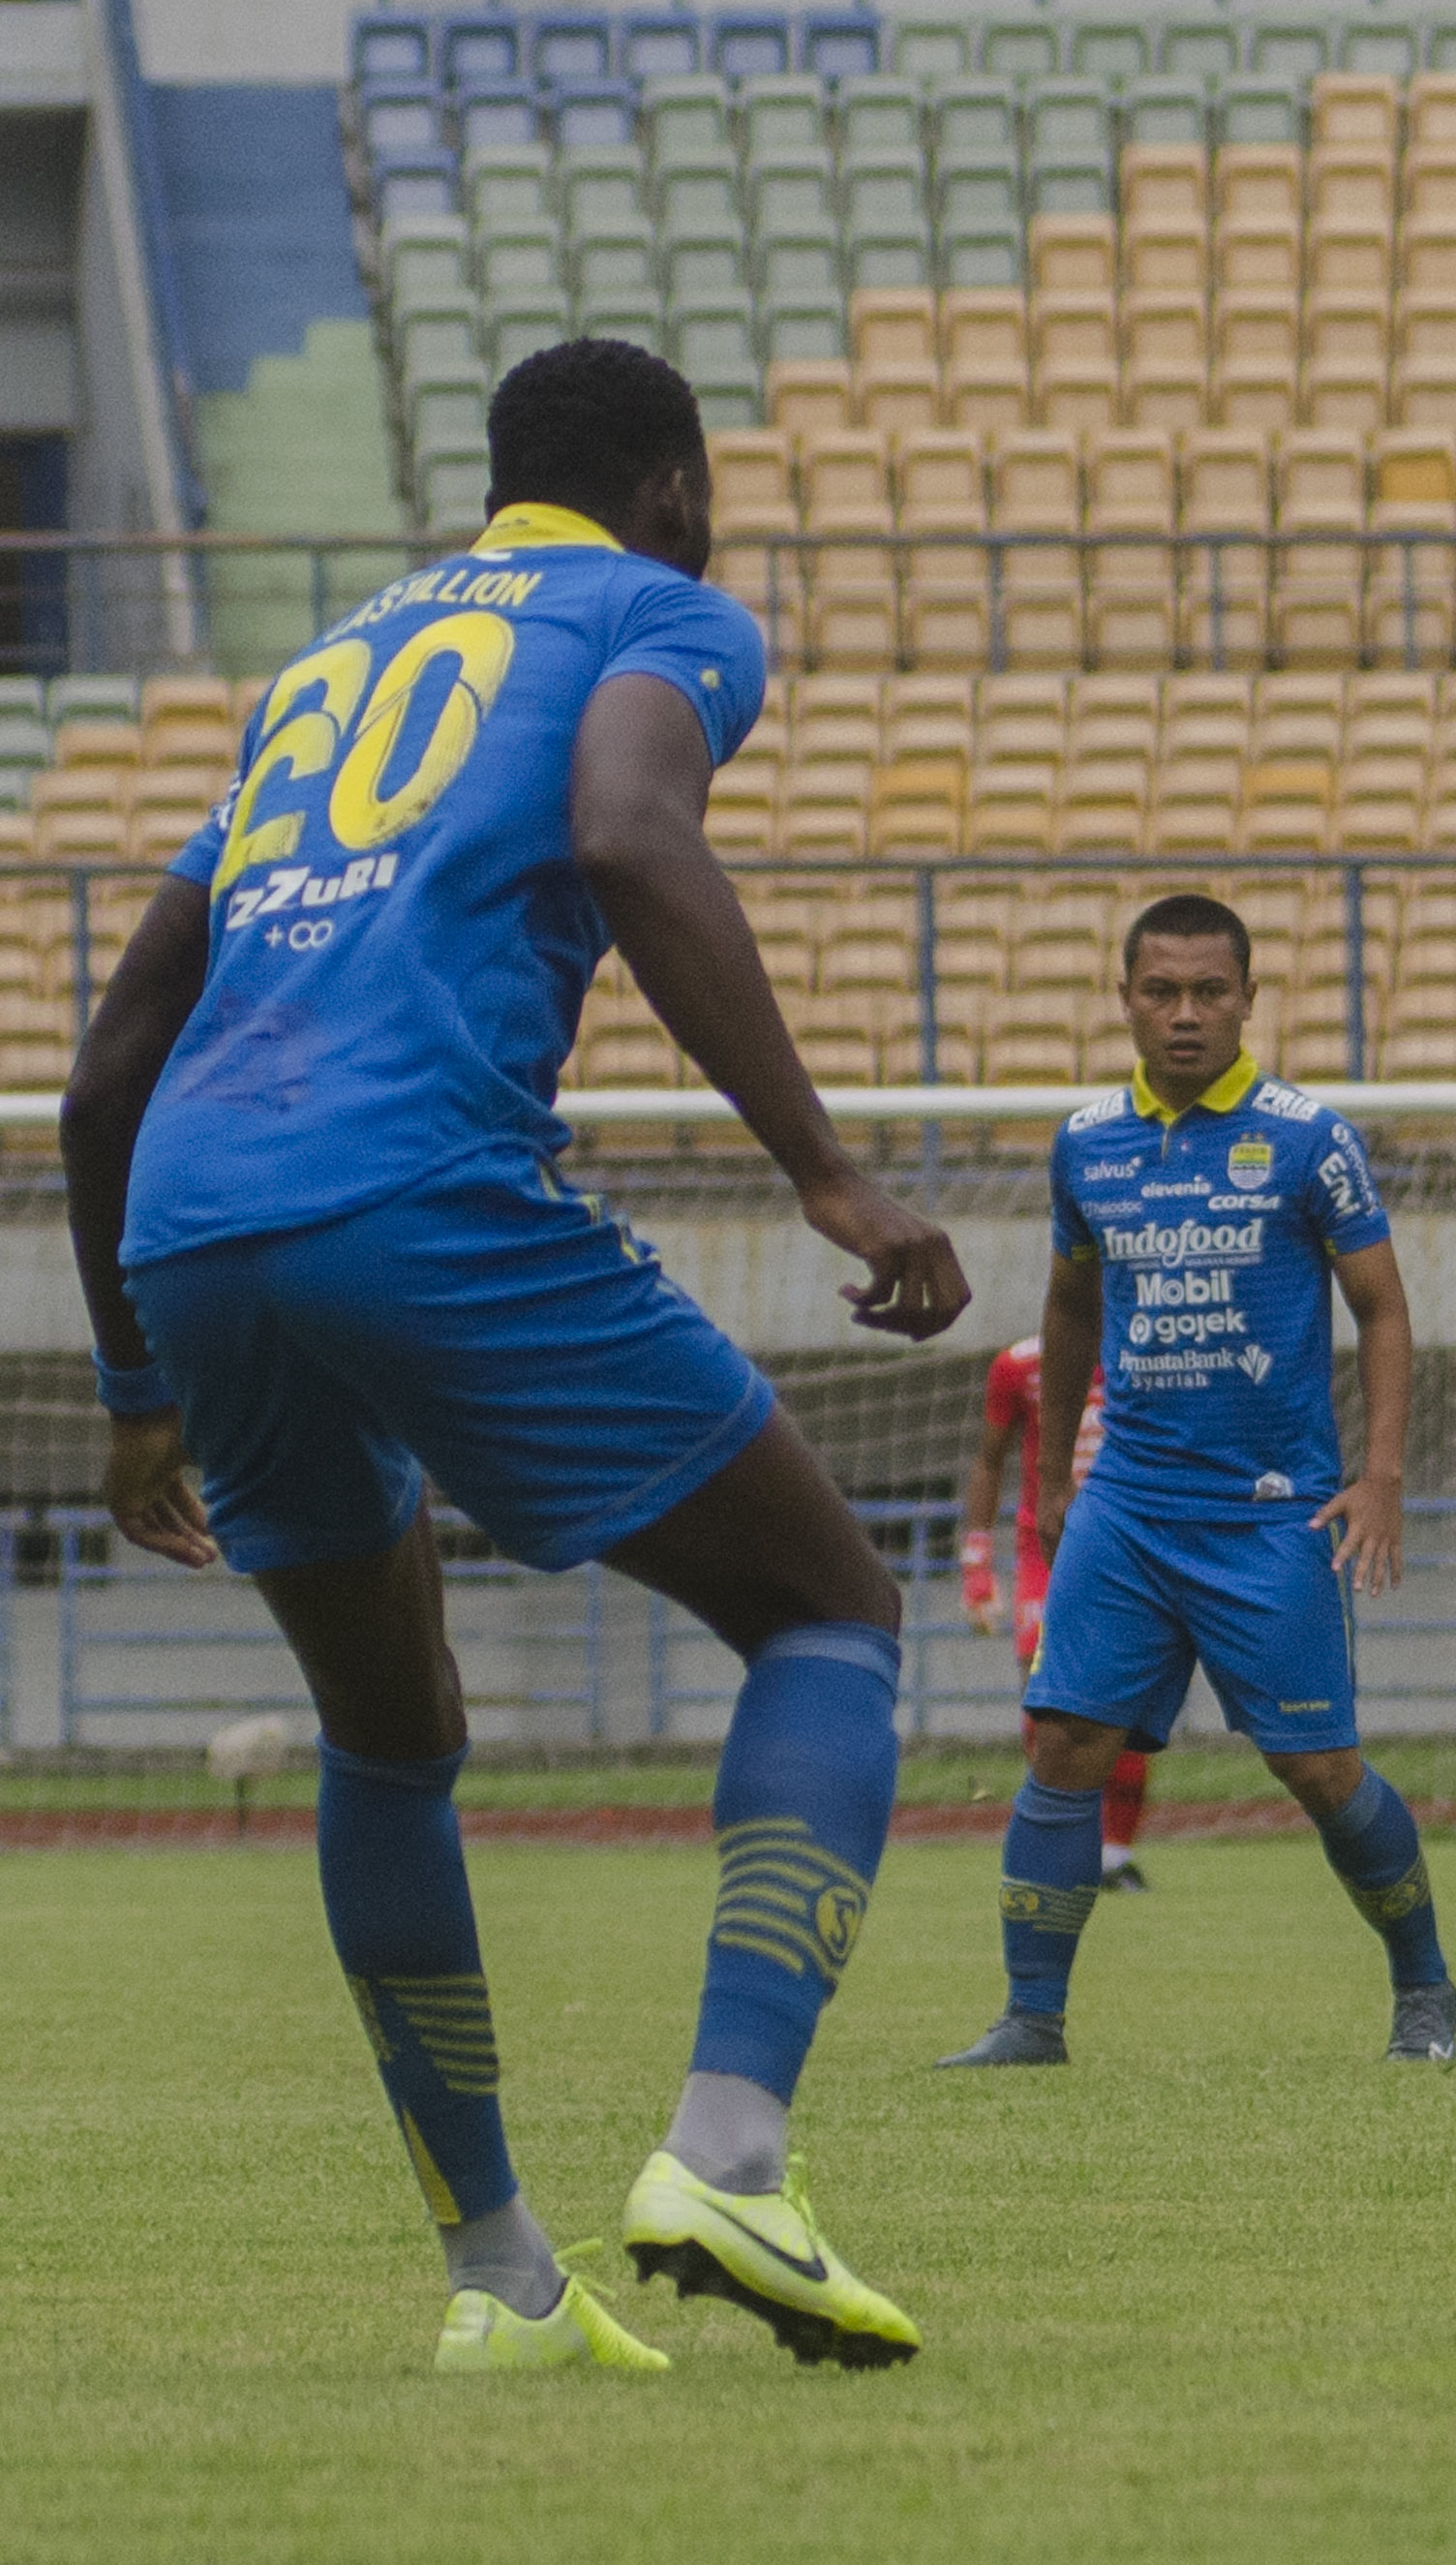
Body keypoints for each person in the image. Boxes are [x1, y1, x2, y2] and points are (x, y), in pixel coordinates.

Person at [59, 340, 964, 2372]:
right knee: (827, 1608)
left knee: (390, 1732)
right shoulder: (658, 609)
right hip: (415, 1178)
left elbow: (109, 1058)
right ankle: (729, 2147)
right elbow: (635, 834)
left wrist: (133, 1385)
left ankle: (501, 2281)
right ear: (671, 483)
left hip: (196, 1215)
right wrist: (828, 1177)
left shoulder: (327, 665)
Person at [937, 893, 1456, 2071]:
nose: (1184, 1015)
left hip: (1270, 1512)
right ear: (1124, 999)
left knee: (1316, 1769)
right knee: (1063, 1739)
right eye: (1160, 992)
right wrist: (1058, 1475)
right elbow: (1070, 1307)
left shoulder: (1309, 1137)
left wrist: (1378, 1476)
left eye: (1208, 993)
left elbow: (1382, 1308)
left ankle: (1425, 1991)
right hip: (1126, 1505)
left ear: (1248, 1000)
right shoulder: (1086, 1143)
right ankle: (1031, 2019)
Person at [960, 1335, 1152, 1890]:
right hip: (1045, 1549)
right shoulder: (1018, 1366)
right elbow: (988, 1462)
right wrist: (976, 1566)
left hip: (1130, 1546)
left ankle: (1115, 1856)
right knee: (1045, 1700)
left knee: (1132, 1704)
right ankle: (1062, 1842)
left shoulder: (1147, 1353)